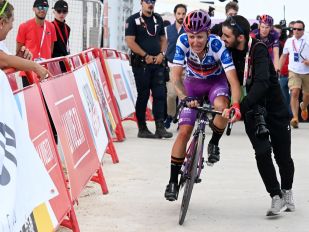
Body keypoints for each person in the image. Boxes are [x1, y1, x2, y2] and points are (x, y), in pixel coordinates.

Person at [221, 15, 295, 216]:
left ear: (241, 37)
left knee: (283, 157)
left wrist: (240, 108)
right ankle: (275, 195)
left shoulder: (258, 49)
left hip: (275, 110)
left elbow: (262, 83)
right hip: (253, 111)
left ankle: (287, 189)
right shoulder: (227, 52)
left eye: (227, 35)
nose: (223, 38)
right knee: (262, 153)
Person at [164, 10, 241, 201]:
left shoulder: (218, 45)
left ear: (208, 34)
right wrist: (183, 96)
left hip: (216, 83)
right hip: (192, 84)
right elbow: (175, 76)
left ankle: (214, 142)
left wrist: (236, 105)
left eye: (200, 36)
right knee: (184, 131)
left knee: (222, 106)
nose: (195, 41)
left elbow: (233, 82)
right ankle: (173, 181)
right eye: (192, 36)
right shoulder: (182, 42)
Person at [125, 0, 172, 139]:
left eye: (152, 1)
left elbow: (163, 39)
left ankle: (160, 127)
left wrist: (161, 55)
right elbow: (129, 41)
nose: (150, 4)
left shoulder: (158, 18)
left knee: (159, 95)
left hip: (157, 63)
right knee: (143, 95)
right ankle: (142, 128)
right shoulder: (133, 20)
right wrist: (145, 55)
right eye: (147, 1)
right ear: (142, 2)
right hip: (141, 65)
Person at [0, 1, 50, 80]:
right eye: (11, 21)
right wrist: (35, 66)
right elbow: (5, 60)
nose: (12, 26)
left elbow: (7, 61)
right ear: (2, 23)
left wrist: (19, 57)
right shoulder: (25, 26)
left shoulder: (2, 43)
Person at [279, 20, 309, 128]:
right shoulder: (289, 41)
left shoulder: (307, 39)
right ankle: (295, 117)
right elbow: (283, 56)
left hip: (307, 71)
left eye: (299, 29)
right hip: (293, 71)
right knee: (294, 92)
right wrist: (278, 68)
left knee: (306, 95)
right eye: (294, 29)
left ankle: (304, 106)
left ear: (303, 30)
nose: (296, 31)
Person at [164, 3, 187, 129]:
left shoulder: (189, 30)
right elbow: (164, 46)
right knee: (171, 95)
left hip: (185, 67)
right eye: (179, 13)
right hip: (172, 66)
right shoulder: (168, 30)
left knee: (183, 95)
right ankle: (170, 115)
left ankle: (181, 120)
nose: (181, 16)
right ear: (175, 14)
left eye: (183, 13)